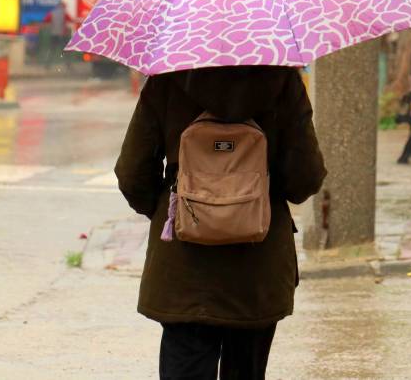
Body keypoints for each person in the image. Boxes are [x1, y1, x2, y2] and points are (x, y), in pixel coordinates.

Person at [115, 66, 327, 379]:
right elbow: (304, 178)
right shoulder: (282, 80)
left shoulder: (168, 78)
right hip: (258, 267)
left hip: (184, 267)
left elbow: (132, 173)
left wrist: (171, 211)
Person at [43, 1, 72, 68]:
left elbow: (45, 20)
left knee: (52, 50)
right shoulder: (64, 14)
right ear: (63, 6)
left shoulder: (52, 13)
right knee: (65, 51)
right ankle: (68, 65)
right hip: (62, 35)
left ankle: (47, 65)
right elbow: (70, 20)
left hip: (54, 34)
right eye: (65, 6)